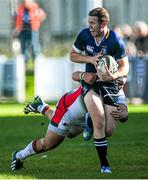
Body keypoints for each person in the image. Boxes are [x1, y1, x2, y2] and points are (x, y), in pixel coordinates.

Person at [11, 76, 128, 172]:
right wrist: (83, 74)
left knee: (69, 134)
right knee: (49, 144)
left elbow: (123, 112)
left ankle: (41, 107)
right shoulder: (94, 77)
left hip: (83, 115)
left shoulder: (117, 87)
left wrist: (124, 114)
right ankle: (19, 155)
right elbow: (76, 74)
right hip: (68, 109)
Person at [70, 7, 129, 173]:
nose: (89, 26)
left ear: (103, 23)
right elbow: (72, 55)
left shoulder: (115, 40)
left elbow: (125, 67)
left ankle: (89, 119)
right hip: (91, 81)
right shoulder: (84, 35)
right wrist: (90, 59)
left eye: (92, 23)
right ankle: (104, 165)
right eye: (88, 22)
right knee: (99, 118)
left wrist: (113, 75)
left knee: (108, 130)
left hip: (109, 84)